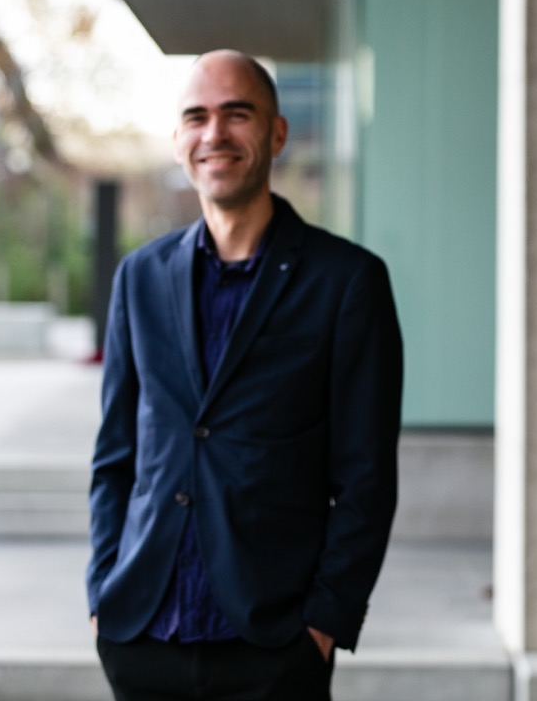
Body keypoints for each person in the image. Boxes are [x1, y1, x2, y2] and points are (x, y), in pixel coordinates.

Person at [87, 50, 403, 701]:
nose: (215, 134)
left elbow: (367, 475)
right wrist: (102, 590)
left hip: (274, 645)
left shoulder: (346, 282)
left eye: (237, 114)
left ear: (277, 133)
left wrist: (325, 621)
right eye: (196, 117)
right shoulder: (138, 278)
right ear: (178, 141)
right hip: (144, 636)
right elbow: (115, 454)